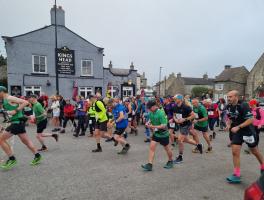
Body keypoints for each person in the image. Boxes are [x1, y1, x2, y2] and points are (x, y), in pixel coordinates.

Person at [225, 90, 264, 184]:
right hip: (237, 131)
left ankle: (263, 166)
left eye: (230, 96)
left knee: (254, 151)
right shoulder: (228, 106)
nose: (228, 98)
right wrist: (228, 124)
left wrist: (238, 127)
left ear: (236, 97)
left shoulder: (244, 105)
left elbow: (251, 119)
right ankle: (237, 175)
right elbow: (229, 118)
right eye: (228, 97)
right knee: (235, 151)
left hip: (247, 131)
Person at [0, 86, 42, 170]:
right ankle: (37, 156)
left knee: (1, 139)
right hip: (19, 122)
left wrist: (15, 111)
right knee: (26, 141)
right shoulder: (5, 100)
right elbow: (11, 110)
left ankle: (12, 159)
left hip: (17, 123)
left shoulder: (9, 97)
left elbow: (25, 102)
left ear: (1, 91)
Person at [141, 100, 173, 171]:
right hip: (156, 134)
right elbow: (151, 119)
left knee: (167, 149)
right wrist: (148, 122)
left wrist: (152, 127)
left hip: (163, 134)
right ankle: (149, 165)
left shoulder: (161, 113)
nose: (148, 109)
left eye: (149, 108)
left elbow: (164, 126)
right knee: (151, 148)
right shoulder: (151, 112)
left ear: (154, 106)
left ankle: (170, 161)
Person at [172, 94, 203, 164]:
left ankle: (180, 157)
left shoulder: (186, 107)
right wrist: (175, 120)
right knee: (186, 139)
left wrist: (184, 119)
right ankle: (198, 145)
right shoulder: (174, 107)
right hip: (180, 125)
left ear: (180, 99)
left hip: (186, 125)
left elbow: (193, 115)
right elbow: (174, 115)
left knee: (180, 140)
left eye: (175, 99)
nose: (174, 100)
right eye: (174, 99)